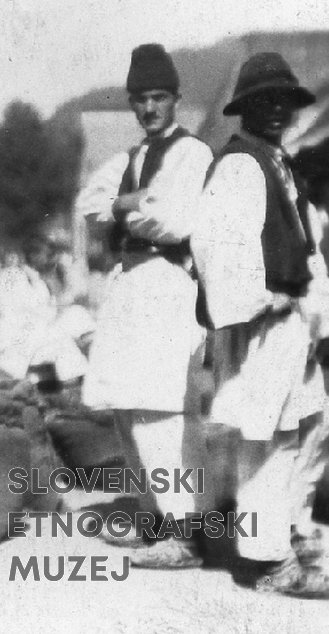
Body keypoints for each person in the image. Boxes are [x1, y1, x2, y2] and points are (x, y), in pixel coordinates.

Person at [192, 52, 329, 597]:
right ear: (246, 108)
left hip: (293, 320)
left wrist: (320, 304)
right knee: (266, 437)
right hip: (263, 322)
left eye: (283, 100)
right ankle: (266, 558)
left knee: (310, 426)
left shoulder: (282, 166)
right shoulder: (239, 166)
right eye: (263, 101)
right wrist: (262, 299)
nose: (275, 109)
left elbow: (307, 248)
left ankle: (289, 530)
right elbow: (217, 247)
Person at [76, 43, 213, 569]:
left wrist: (127, 208)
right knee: (127, 405)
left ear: (175, 98)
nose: (149, 108)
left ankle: (187, 530)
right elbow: (91, 206)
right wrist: (131, 203)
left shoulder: (191, 153)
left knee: (163, 406)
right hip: (130, 281)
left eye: (158, 97)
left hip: (168, 281)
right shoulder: (131, 157)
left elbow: (173, 220)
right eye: (140, 99)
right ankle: (153, 518)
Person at [0, 235, 90, 386]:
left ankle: (79, 377)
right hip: (16, 336)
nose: (53, 260)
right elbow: (15, 312)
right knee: (62, 336)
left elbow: (49, 309)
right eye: (48, 255)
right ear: (33, 255)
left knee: (75, 318)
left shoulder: (37, 279)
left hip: (36, 331)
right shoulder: (11, 276)